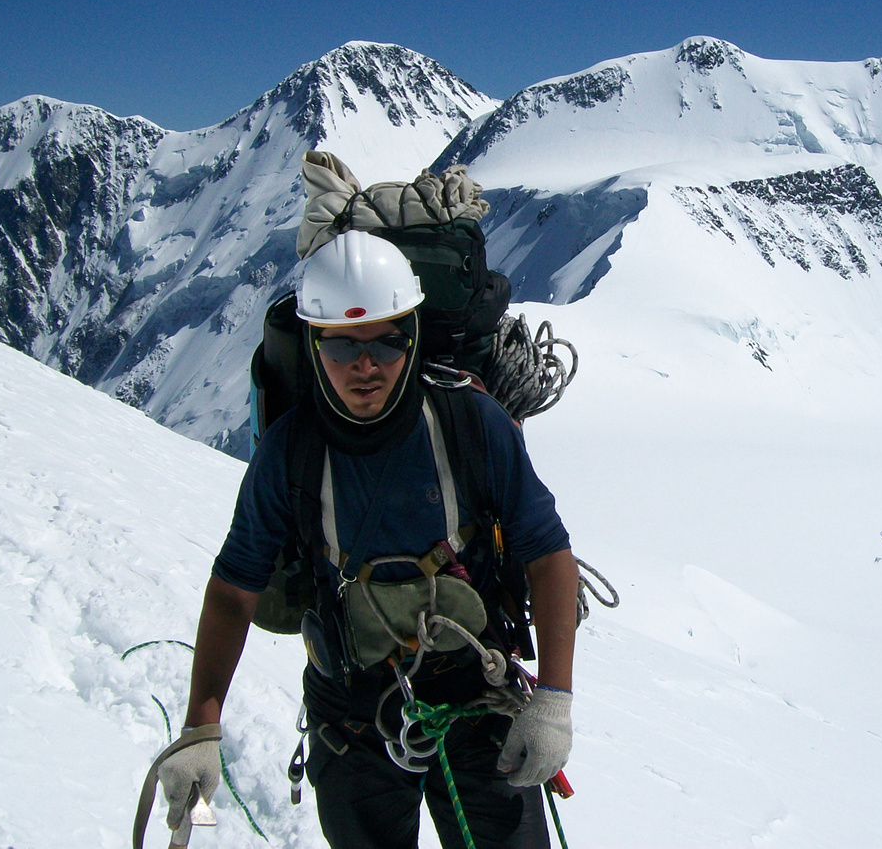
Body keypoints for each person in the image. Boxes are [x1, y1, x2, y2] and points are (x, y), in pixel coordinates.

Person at [159, 230, 579, 849]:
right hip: (353, 717)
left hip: (473, 698)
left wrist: (554, 700)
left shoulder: (470, 421)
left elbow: (548, 555)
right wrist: (200, 724)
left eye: (387, 341)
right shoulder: (289, 453)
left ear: (411, 336)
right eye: (341, 347)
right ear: (313, 344)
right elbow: (233, 589)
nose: (366, 365)